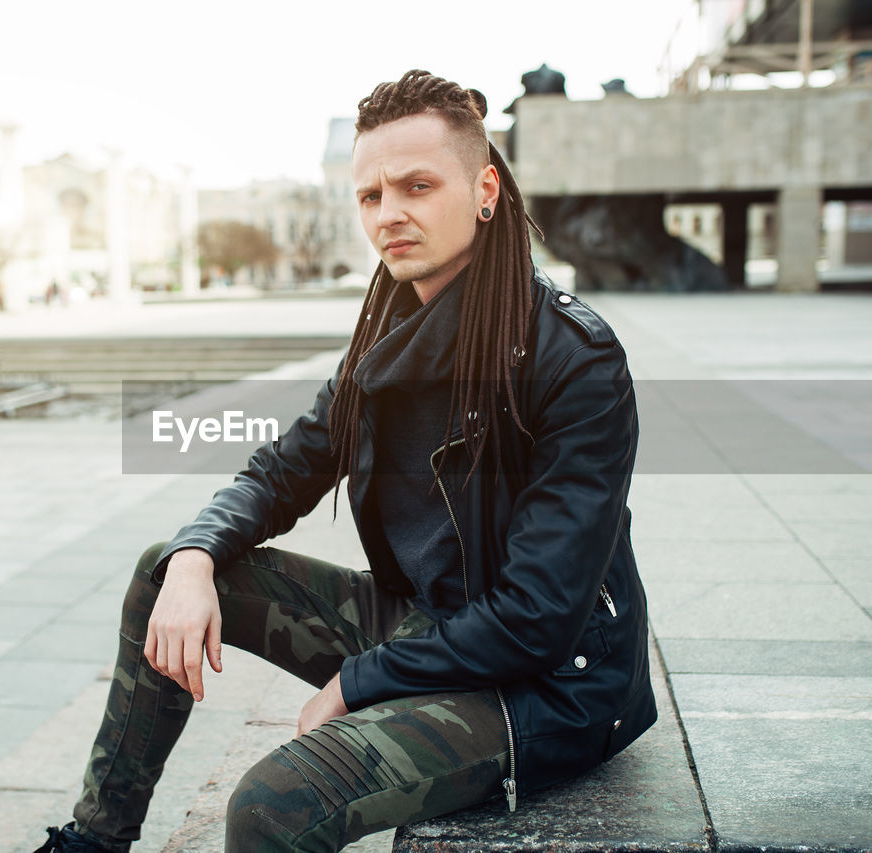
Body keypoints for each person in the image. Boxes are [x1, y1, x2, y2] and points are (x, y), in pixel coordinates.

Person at [33, 69, 656, 853]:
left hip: (546, 684)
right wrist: (195, 555)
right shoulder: (384, 342)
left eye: (418, 186)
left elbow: (537, 617)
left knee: (273, 804)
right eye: (370, 196)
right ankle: (94, 840)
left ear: (485, 189)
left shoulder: (572, 357)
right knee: (165, 572)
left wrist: (358, 681)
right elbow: (282, 469)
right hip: (432, 625)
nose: (390, 213)